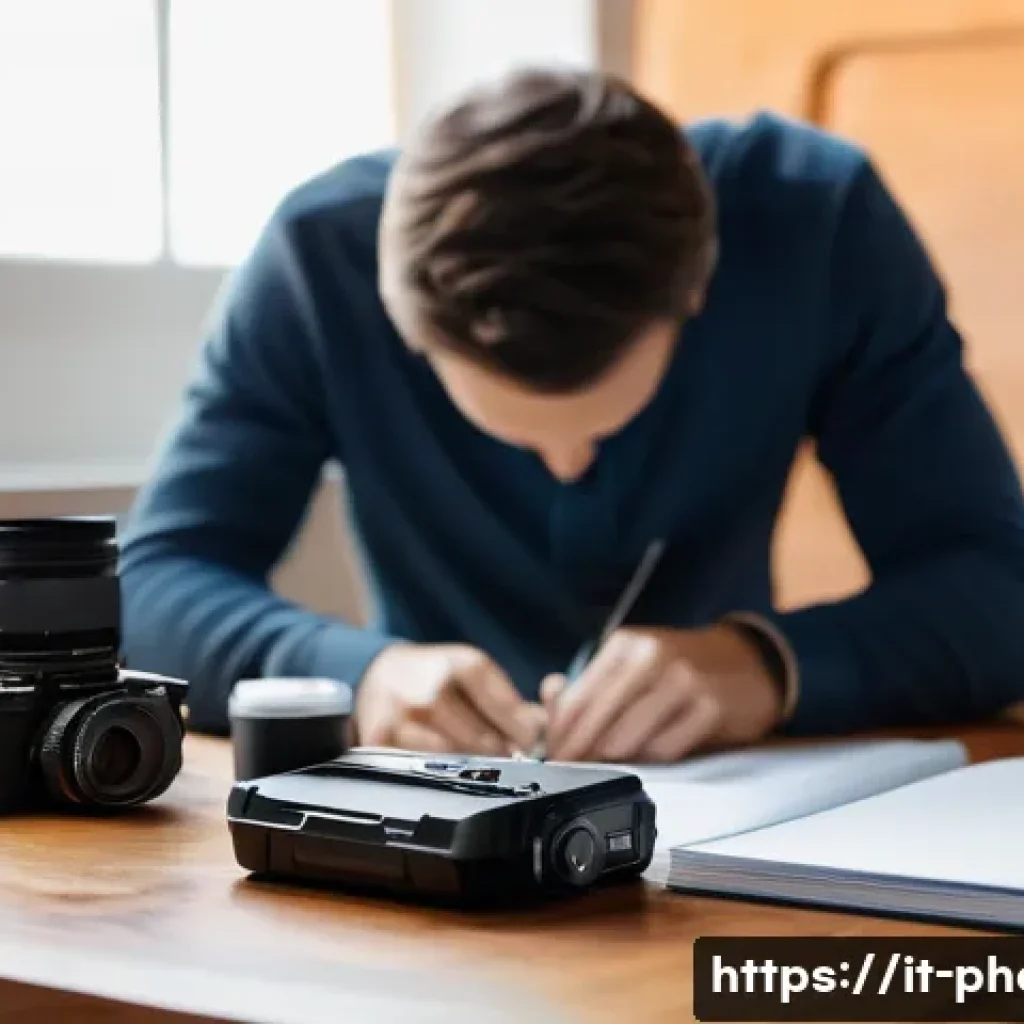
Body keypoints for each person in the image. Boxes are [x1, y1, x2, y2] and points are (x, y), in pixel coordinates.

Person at [119, 67, 1024, 763]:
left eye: (600, 427)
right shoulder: (322, 257)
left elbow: (999, 591)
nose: (567, 469)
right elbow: (150, 588)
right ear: (398, 318)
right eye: (516, 432)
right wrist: (357, 676)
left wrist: (768, 665)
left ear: (698, 283)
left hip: (740, 815)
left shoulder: (817, 222)